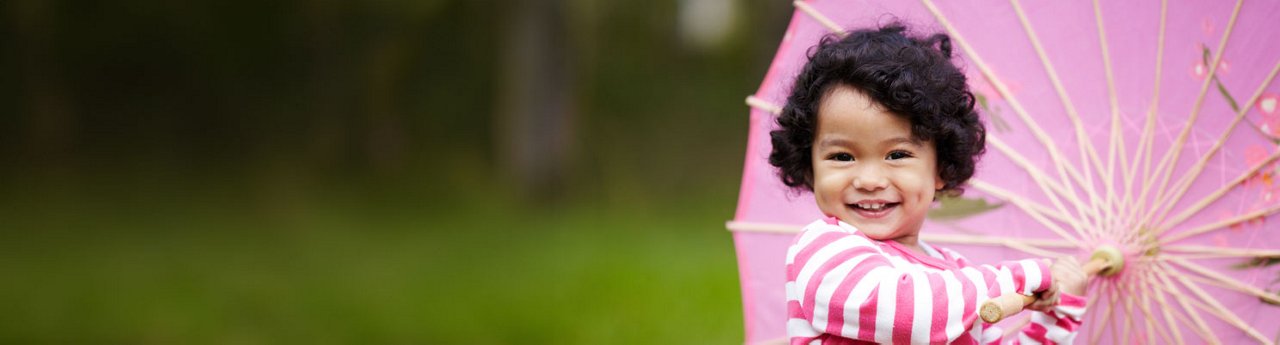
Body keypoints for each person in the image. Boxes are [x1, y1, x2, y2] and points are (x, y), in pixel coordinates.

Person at [770, 23, 1087, 344]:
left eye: (896, 154)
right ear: (809, 164)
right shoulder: (824, 249)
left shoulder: (956, 275)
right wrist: (1028, 276)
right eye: (842, 157)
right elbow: (911, 316)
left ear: (940, 167)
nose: (869, 180)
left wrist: (1059, 315)